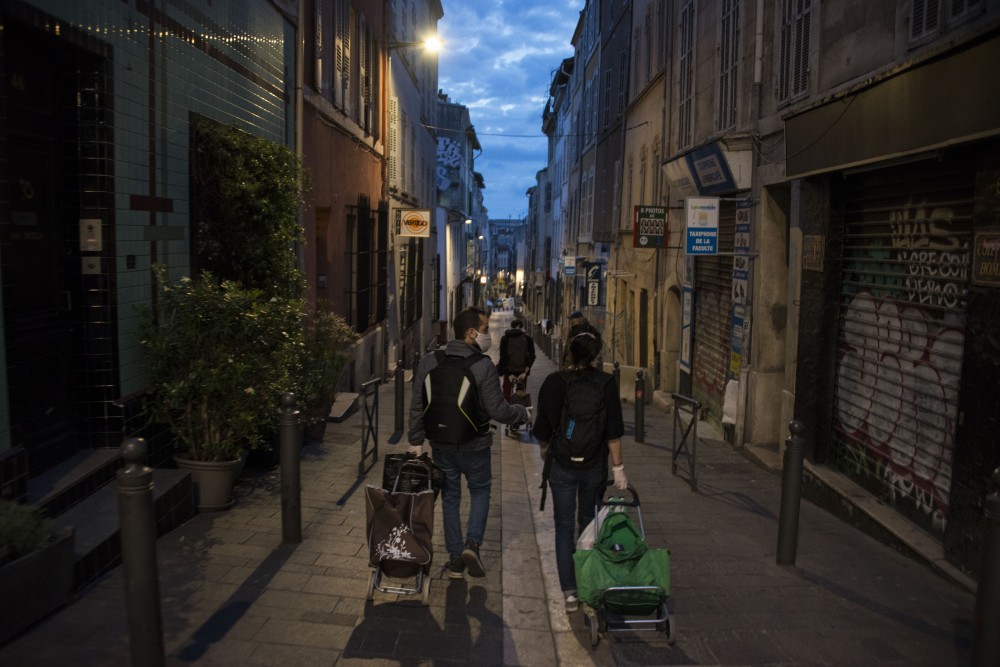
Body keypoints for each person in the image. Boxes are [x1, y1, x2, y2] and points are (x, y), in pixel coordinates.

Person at [408, 307, 529, 579]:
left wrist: (416, 441)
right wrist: (523, 413)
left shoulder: (429, 362)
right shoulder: (482, 366)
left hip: (441, 445)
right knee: (480, 492)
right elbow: (498, 411)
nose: (488, 336)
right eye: (485, 330)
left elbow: (417, 404)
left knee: (450, 498)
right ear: (470, 333)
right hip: (475, 444)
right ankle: (472, 544)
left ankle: (454, 562)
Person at [532, 329, 626, 613]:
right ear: (596, 354)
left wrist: (547, 447)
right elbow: (614, 432)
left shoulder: (554, 382)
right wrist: (619, 468)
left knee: (563, 528)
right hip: (594, 467)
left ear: (569, 350)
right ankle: (588, 584)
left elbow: (542, 428)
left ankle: (570, 593)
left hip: (561, 465)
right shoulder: (607, 383)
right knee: (588, 526)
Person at [497, 318, 536, 401]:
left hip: (509, 372)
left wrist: (508, 374)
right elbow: (532, 356)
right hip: (522, 372)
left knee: (506, 394)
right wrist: (525, 372)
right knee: (521, 394)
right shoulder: (528, 339)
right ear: (521, 327)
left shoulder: (505, 338)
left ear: (511, 326)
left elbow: (503, 358)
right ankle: (521, 410)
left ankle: (507, 410)